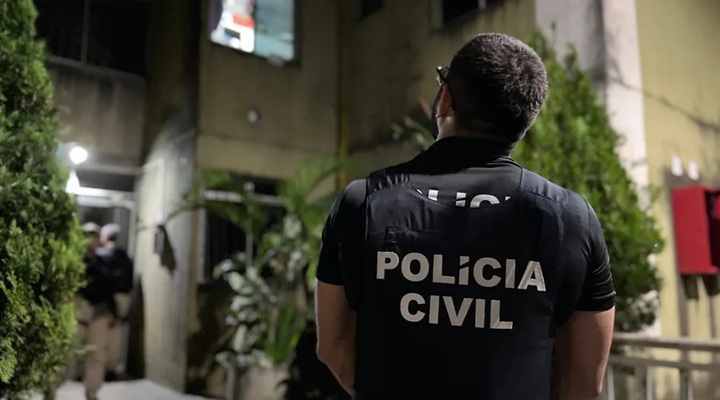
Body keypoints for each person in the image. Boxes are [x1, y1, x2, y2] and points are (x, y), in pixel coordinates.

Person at [314, 33, 616, 400]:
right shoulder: (570, 218)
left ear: (445, 100)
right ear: (526, 119)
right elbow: (584, 381)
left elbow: (334, 347)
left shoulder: (364, 203)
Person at [77, 222, 116, 400]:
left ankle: (92, 391)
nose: (91, 241)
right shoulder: (75, 260)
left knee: (97, 354)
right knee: (67, 354)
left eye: (94, 236)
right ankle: (51, 389)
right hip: (78, 311)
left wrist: (112, 312)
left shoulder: (103, 261)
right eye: (87, 236)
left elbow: (109, 287)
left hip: (99, 312)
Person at [96, 223, 134, 380]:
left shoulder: (100, 255)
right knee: (116, 335)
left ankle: (97, 368)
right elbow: (129, 281)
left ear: (105, 237)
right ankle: (111, 368)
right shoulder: (125, 257)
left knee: (99, 333)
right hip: (123, 298)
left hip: (103, 299)